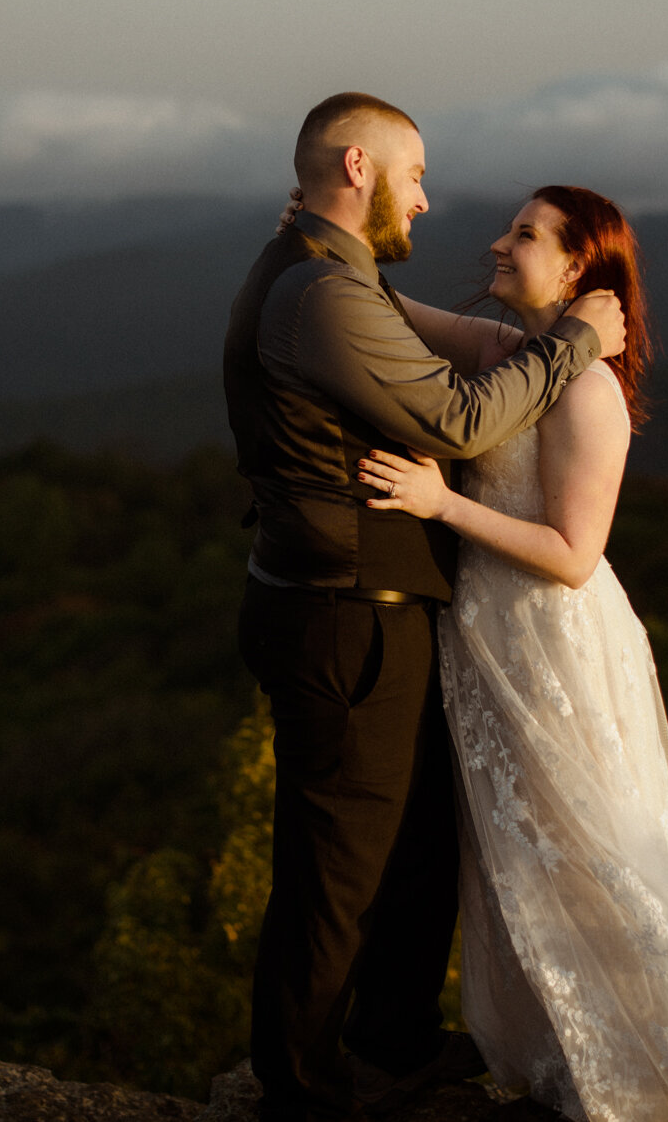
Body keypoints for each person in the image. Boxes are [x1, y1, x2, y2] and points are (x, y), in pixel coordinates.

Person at [357, 187, 668, 1122]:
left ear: (578, 267)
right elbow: (382, 311)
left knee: (582, 853)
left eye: (524, 235)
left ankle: (648, 1071)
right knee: (518, 858)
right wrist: (321, 244)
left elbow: (574, 557)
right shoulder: (518, 353)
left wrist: (439, 502)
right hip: (492, 639)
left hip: (551, 645)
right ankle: (581, 1057)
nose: (498, 242)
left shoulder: (588, 390)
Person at [223, 96, 628, 1122]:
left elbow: (464, 349)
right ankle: (304, 1088)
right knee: (337, 868)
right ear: (358, 169)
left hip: (375, 604)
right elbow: (454, 416)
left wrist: (559, 339)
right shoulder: (322, 292)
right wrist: (575, 340)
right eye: (413, 179)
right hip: (344, 607)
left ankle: (392, 1043)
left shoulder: (323, 276)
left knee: (410, 842)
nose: (429, 201)